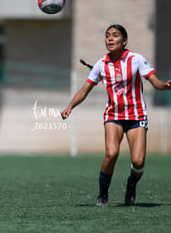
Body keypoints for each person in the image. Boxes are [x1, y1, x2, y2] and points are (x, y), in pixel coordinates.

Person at [61, 24, 171, 207]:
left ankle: (131, 184)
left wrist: (165, 86)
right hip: (114, 115)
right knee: (111, 153)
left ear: (125, 41)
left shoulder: (136, 59)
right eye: (107, 36)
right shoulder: (101, 64)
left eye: (115, 35)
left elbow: (155, 82)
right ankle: (103, 194)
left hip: (136, 116)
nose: (110, 39)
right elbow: (84, 90)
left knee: (138, 161)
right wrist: (70, 107)